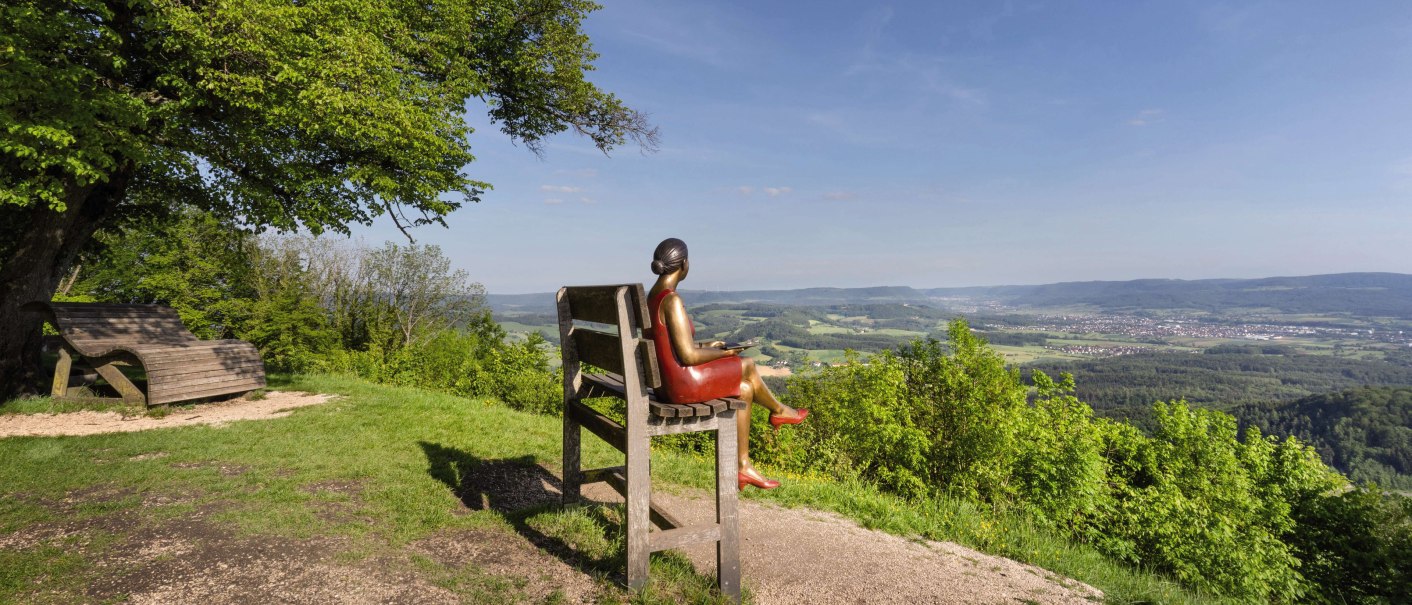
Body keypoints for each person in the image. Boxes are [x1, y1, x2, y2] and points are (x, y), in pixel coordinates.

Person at [646, 237, 808, 490]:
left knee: (745, 390)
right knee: (747, 364)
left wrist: (708, 347)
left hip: (664, 384)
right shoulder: (671, 300)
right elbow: (687, 357)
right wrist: (726, 353)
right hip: (680, 387)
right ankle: (779, 411)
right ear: (684, 265)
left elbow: (673, 346)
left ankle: (743, 466)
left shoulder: (652, 297)